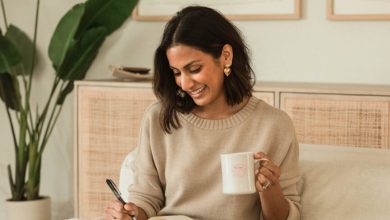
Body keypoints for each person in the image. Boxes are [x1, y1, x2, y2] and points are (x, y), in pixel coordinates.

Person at [104, 5, 301, 220]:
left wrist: (269, 187)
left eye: (194, 69)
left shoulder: (275, 125)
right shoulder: (158, 118)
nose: (185, 83)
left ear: (226, 56)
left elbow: (283, 218)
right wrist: (130, 214)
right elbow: (146, 198)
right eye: (176, 73)